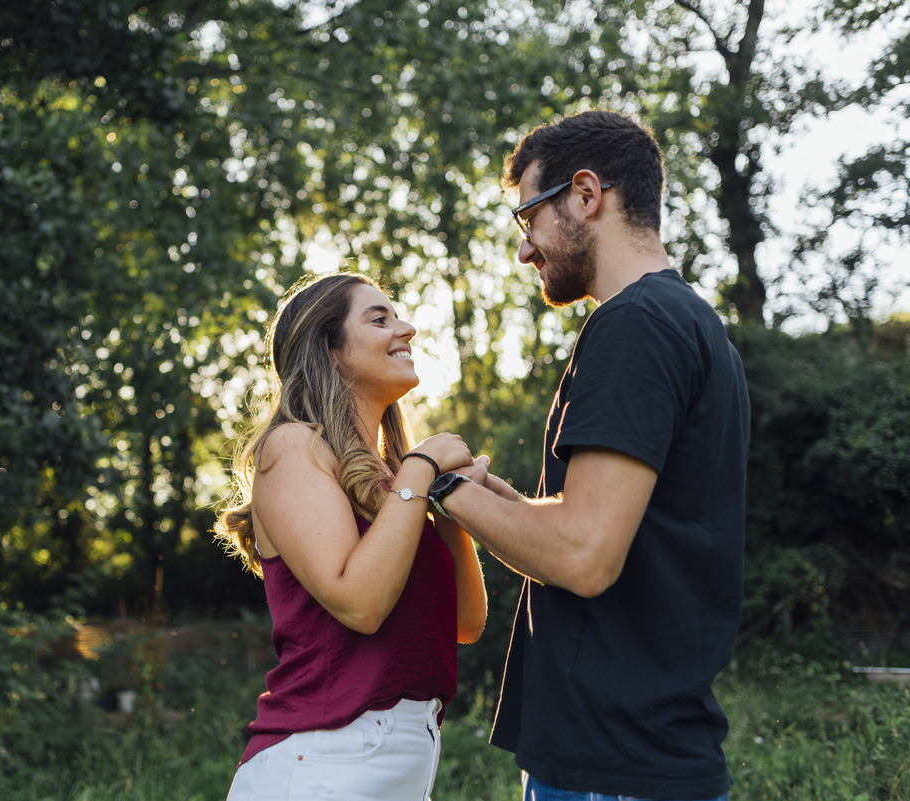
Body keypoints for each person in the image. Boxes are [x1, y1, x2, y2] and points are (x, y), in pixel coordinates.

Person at [428, 110, 750, 800]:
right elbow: (614, 525)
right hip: (647, 758)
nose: (525, 251)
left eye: (527, 220)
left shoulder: (633, 325)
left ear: (584, 193)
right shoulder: (692, 324)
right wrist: (494, 497)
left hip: (615, 765)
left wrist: (436, 488)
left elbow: (584, 556)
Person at [214, 271, 488, 801]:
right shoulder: (295, 447)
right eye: (379, 318)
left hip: (402, 768)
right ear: (331, 350)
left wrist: (449, 503)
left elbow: (467, 624)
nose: (406, 328)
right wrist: (421, 467)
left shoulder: (397, 485)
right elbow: (360, 605)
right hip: (322, 764)